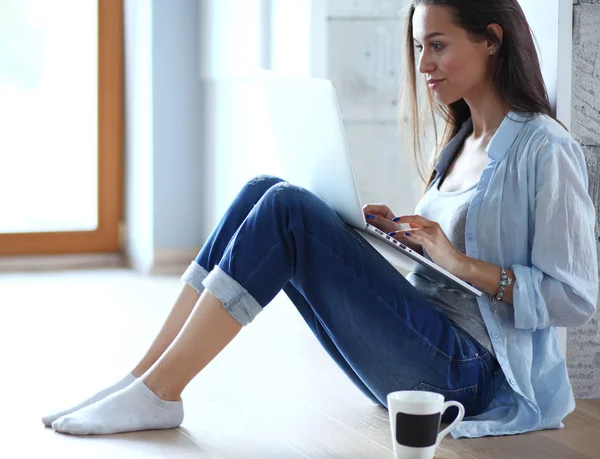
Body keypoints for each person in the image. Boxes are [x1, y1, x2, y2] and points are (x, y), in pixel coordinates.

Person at [43, 0, 597, 439]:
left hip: (467, 374)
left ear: (491, 40)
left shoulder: (545, 149)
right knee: (264, 190)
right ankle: (144, 378)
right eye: (417, 47)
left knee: (287, 210)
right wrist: (401, 238)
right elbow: (444, 265)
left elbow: (576, 299)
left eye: (437, 46)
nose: (423, 64)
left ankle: (160, 392)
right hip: (424, 343)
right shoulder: (460, 141)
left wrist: (462, 263)